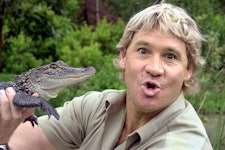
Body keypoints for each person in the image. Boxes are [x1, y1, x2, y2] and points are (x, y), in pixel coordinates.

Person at [0, 1, 213, 150]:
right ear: (123, 56)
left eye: (170, 56)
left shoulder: (184, 144)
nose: (154, 68)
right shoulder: (94, 107)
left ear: (189, 70)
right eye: (143, 51)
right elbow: (19, 142)